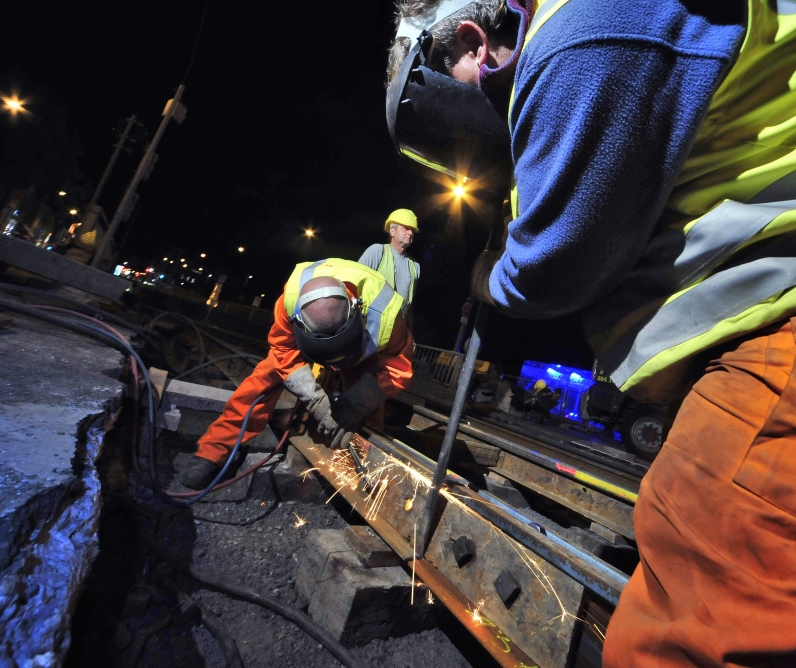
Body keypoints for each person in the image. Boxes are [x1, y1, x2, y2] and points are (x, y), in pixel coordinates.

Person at [385, 1, 796, 665]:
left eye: (460, 79)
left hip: (780, 336)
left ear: (471, 39)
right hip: (769, 321)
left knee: (676, 644)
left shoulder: (580, 26)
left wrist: (488, 278)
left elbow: (557, 262)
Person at [179, 258, 413, 489]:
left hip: (359, 351)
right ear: (298, 321)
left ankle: (366, 469)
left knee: (368, 402)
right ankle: (213, 451)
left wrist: (355, 404)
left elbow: (397, 369)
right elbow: (283, 348)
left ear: (357, 309)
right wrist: (313, 396)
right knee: (262, 381)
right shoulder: (290, 302)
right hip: (315, 341)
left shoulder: (387, 318)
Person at [358, 208, 420, 322]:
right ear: (392, 231)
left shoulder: (414, 266)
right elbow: (355, 284)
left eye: (412, 230)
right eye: (405, 228)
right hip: (371, 325)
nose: (410, 233)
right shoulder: (377, 251)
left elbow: (409, 304)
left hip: (397, 328)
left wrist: (409, 332)